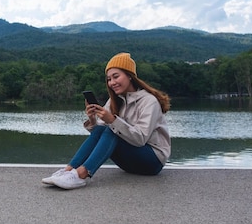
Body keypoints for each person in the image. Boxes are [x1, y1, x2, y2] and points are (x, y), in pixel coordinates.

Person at [42, 52, 171, 190]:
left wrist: (113, 120)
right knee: (102, 129)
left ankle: (81, 175)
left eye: (116, 76)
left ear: (129, 75)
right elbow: (101, 132)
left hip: (152, 161)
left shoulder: (149, 101)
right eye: (109, 79)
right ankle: (68, 171)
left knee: (112, 129)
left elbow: (140, 139)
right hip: (129, 163)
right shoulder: (115, 100)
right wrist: (92, 119)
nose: (112, 83)